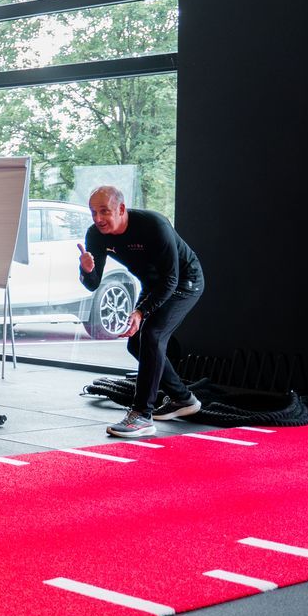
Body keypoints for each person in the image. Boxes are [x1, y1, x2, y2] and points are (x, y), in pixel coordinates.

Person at [79, 185, 206, 438]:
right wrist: (86, 270)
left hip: (184, 282)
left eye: (104, 211)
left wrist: (140, 312)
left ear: (122, 209)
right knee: (136, 344)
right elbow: (93, 284)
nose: (98, 219)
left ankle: (142, 415)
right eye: (93, 212)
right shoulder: (96, 234)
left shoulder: (153, 225)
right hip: (152, 285)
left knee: (152, 335)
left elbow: (171, 279)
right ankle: (183, 399)